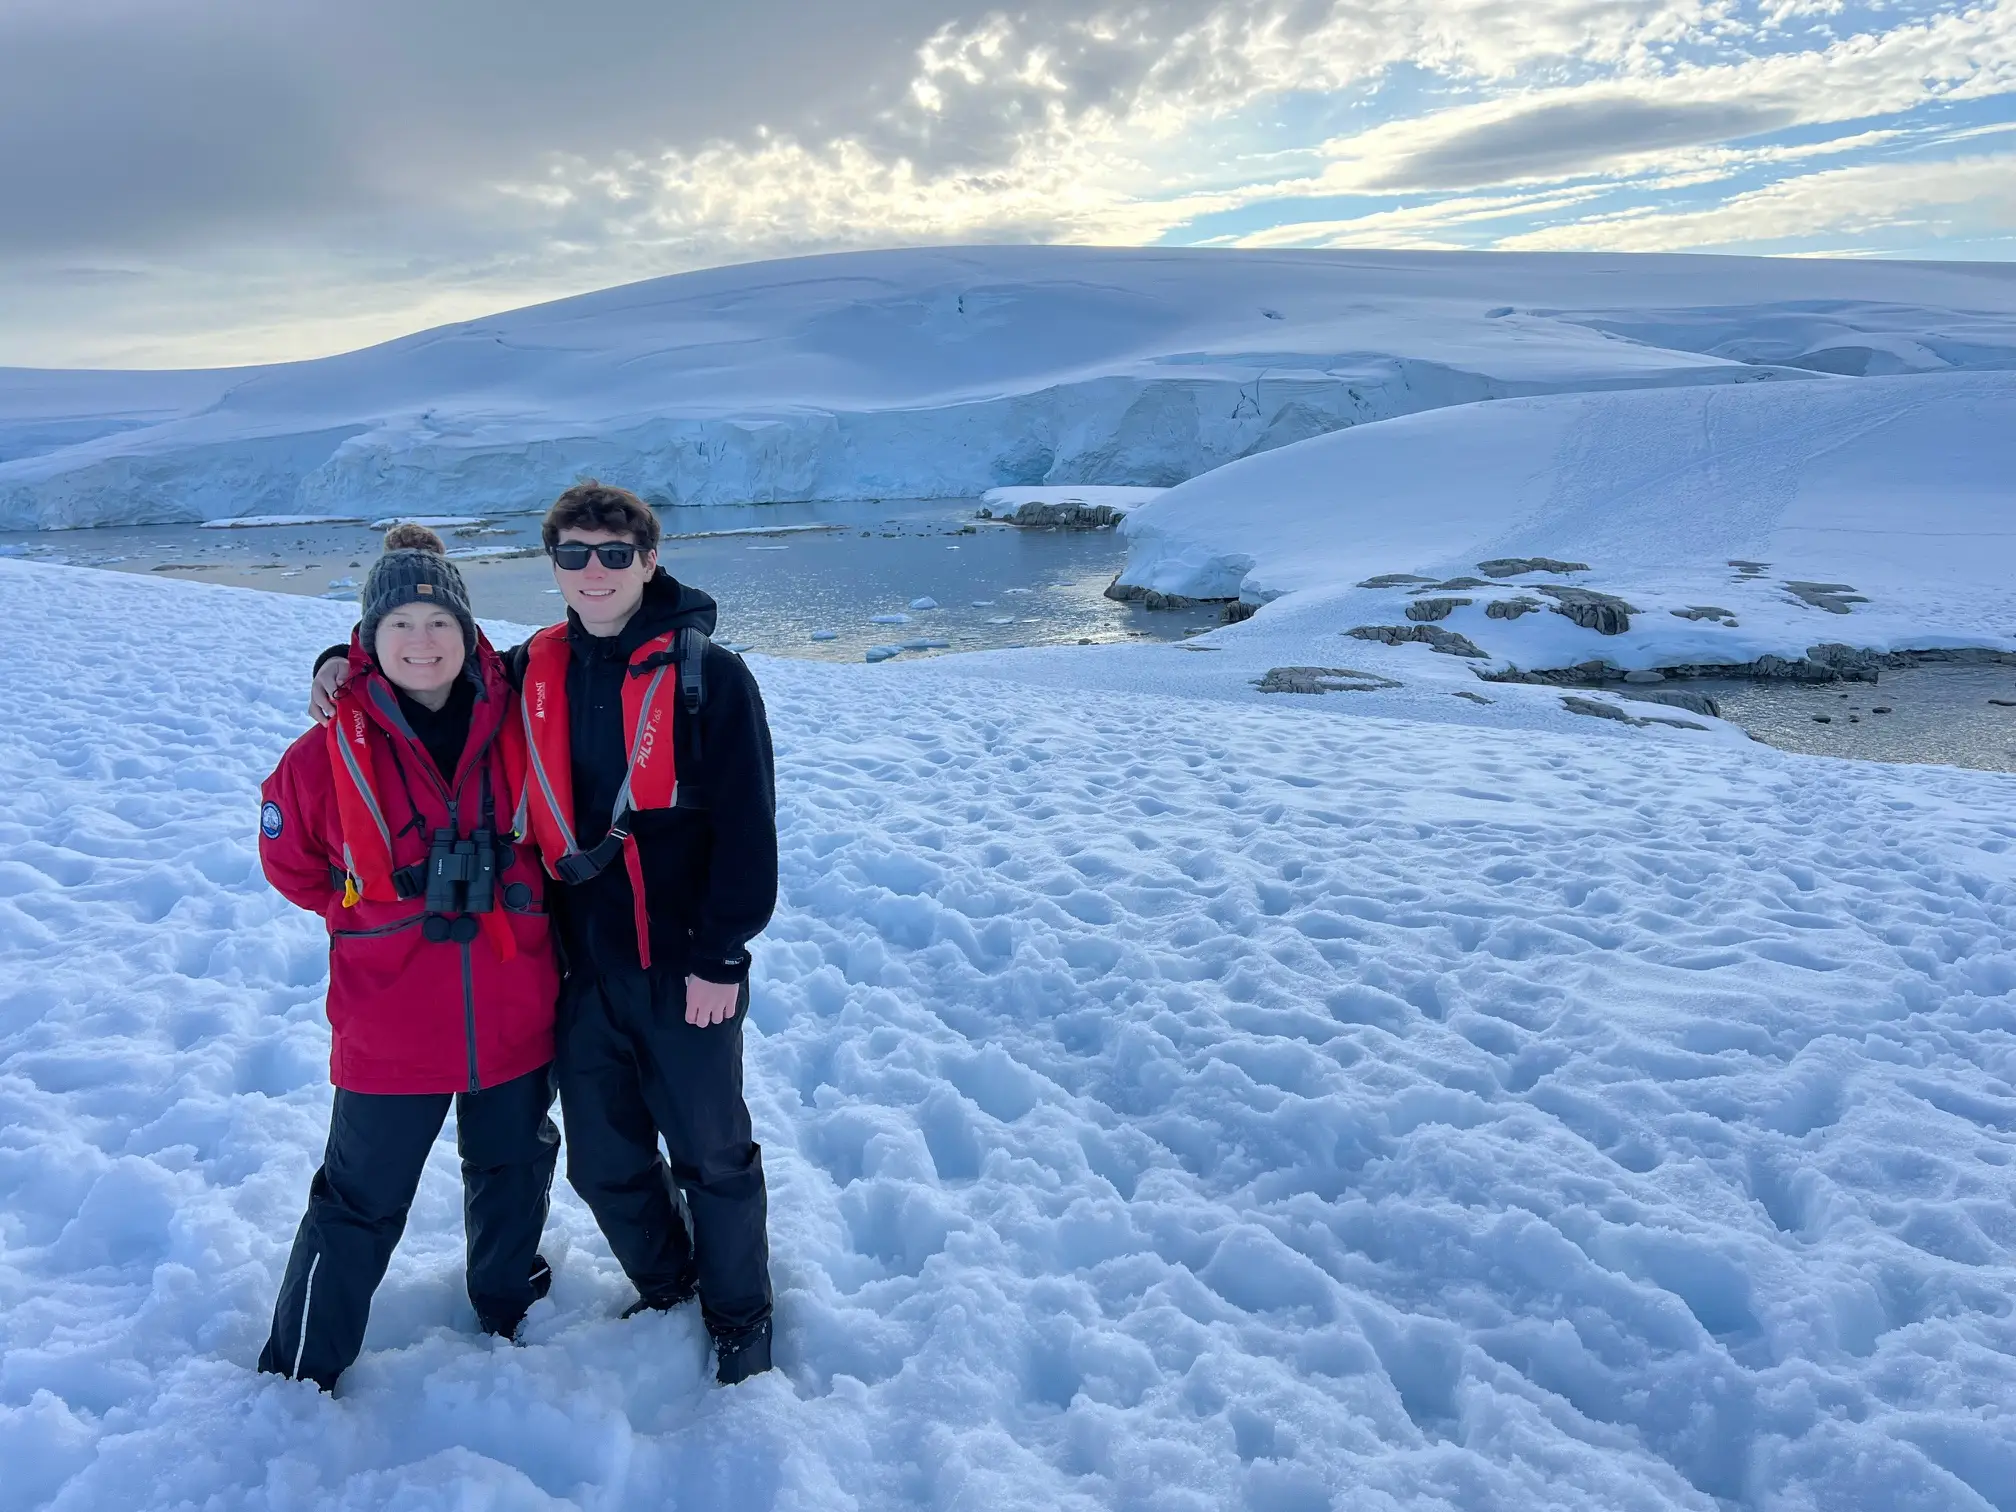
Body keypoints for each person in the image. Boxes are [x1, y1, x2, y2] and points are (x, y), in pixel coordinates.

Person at [310, 484, 780, 1385]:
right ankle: (671, 1282)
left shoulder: (709, 677)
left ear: (649, 560)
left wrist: (723, 955)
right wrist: (341, 659)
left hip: (686, 965)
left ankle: (740, 1318)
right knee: (603, 1163)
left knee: (713, 1155)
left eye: (614, 554)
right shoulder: (533, 665)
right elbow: (433, 663)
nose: (594, 571)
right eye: (574, 554)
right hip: (581, 970)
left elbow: (750, 831)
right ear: (554, 566)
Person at [259, 524, 561, 1392]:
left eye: (439, 622)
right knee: (358, 1199)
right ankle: (301, 1373)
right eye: (400, 625)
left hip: (512, 1007)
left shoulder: (521, 721)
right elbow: (290, 863)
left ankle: (505, 1301)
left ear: (468, 632)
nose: (422, 642)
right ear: (369, 638)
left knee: (512, 1167)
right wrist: (374, 920)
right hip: (390, 1024)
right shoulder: (323, 753)